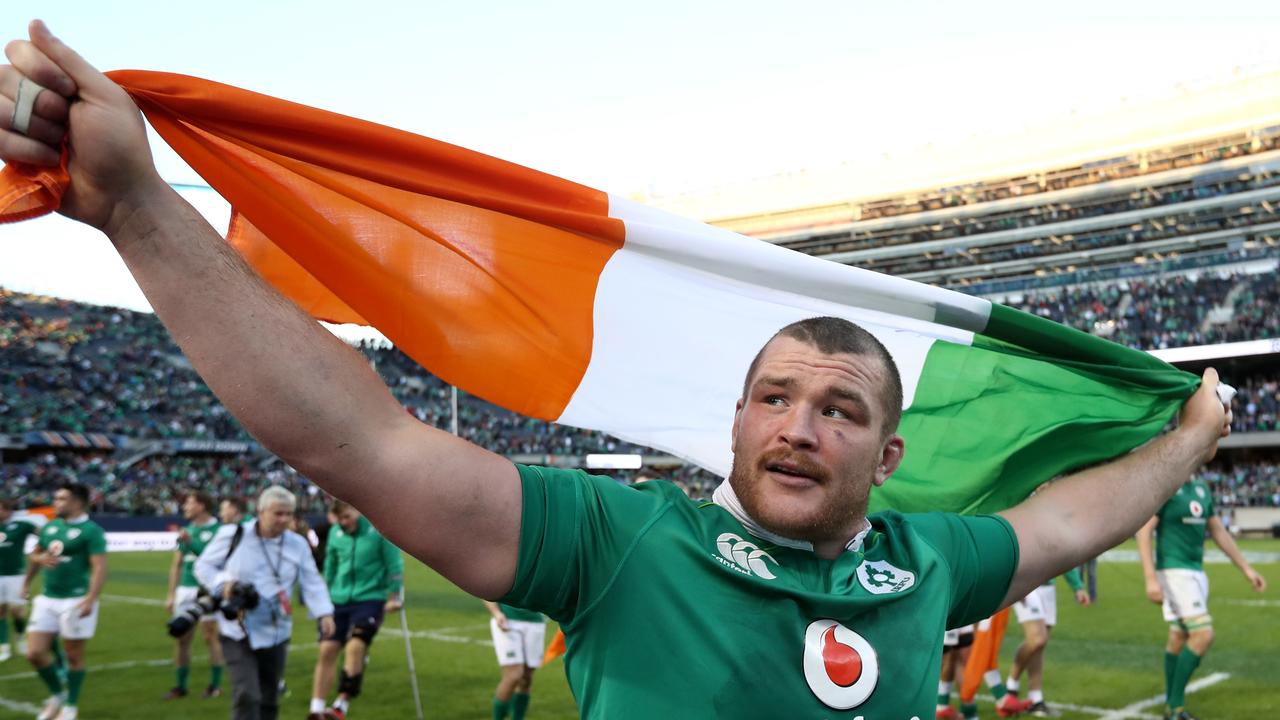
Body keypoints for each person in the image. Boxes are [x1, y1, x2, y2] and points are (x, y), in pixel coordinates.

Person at [0, 25, 1234, 716]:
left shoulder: (919, 563)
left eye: (840, 409)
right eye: (775, 398)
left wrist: (1187, 437)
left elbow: (1065, 519)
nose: (800, 426)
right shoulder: (624, 543)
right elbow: (359, 444)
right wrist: (139, 212)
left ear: (887, 455)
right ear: (737, 421)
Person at [195, 486, 335, 720]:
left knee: (270, 697)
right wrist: (224, 583)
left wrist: (324, 613)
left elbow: (312, 580)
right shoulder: (234, 535)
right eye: (277, 513)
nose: (284, 519)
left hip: (277, 630)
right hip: (238, 630)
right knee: (247, 694)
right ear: (261, 511)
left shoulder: (297, 544)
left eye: (288, 514)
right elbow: (203, 567)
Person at [1136, 473, 1267, 720]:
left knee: (1179, 635)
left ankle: (1171, 705)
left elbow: (1219, 532)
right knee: (1203, 634)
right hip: (1174, 572)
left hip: (1196, 572)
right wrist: (1150, 577)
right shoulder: (1166, 485)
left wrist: (1246, 569)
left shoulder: (1201, 489)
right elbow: (1144, 531)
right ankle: (1175, 707)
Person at [308, 500, 403, 720]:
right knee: (327, 650)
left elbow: (394, 565)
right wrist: (325, 595)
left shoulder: (378, 530)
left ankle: (341, 704)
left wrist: (394, 595)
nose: (344, 522)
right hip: (337, 599)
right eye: (339, 519)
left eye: (347, 517)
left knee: (355, 645)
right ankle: (316, 709)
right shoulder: (335, 533)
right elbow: (330, 564)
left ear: (356, 511)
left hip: (370, 598)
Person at [22, 483, 107, 720]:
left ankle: (70, 705)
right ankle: (57, 694)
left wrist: (91, 598)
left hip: (76, 599)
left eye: (62, 499)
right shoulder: (50, 527)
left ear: (78, 502)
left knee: (73, 655)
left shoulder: (92, 531)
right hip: (48, 598)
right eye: (56, 498)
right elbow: (35, 553)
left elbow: (100, 566)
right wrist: (32, 573)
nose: (56, 503)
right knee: (34, 652)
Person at [999, 568, 1090, 717]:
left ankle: (1036, 699)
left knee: (1039, 646)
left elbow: (1061, 552)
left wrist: (1077, 586)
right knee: (1037, 639)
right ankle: (1011, 686)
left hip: (1048, 586)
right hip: (1026, 585)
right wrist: (1016, 582)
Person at [164, 491, 226, 700]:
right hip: (185, 588)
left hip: (207, 589)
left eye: (189, 504)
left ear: (201, 505)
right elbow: (176, 564)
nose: (185, 508)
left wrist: (191, 542)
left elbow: (213, 561)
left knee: (210, 636)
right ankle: (180, 686)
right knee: (181, 637)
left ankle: (215, 686)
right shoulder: (188, 530)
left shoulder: (219, 530)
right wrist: (171, 594)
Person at [484, 600, 546, 720]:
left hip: (535, 623)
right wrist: (496, 613)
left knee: (526, 678)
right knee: (514, 675)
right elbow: (485, 588)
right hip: (507, 621)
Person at [0, 499, 40, 662]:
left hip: (16, 575)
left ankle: (20, 637)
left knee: (17, 612)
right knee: (0, 612)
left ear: (8, 510)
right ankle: (4, 648)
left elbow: (44, 533)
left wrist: (38, 551)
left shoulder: (22, 526)